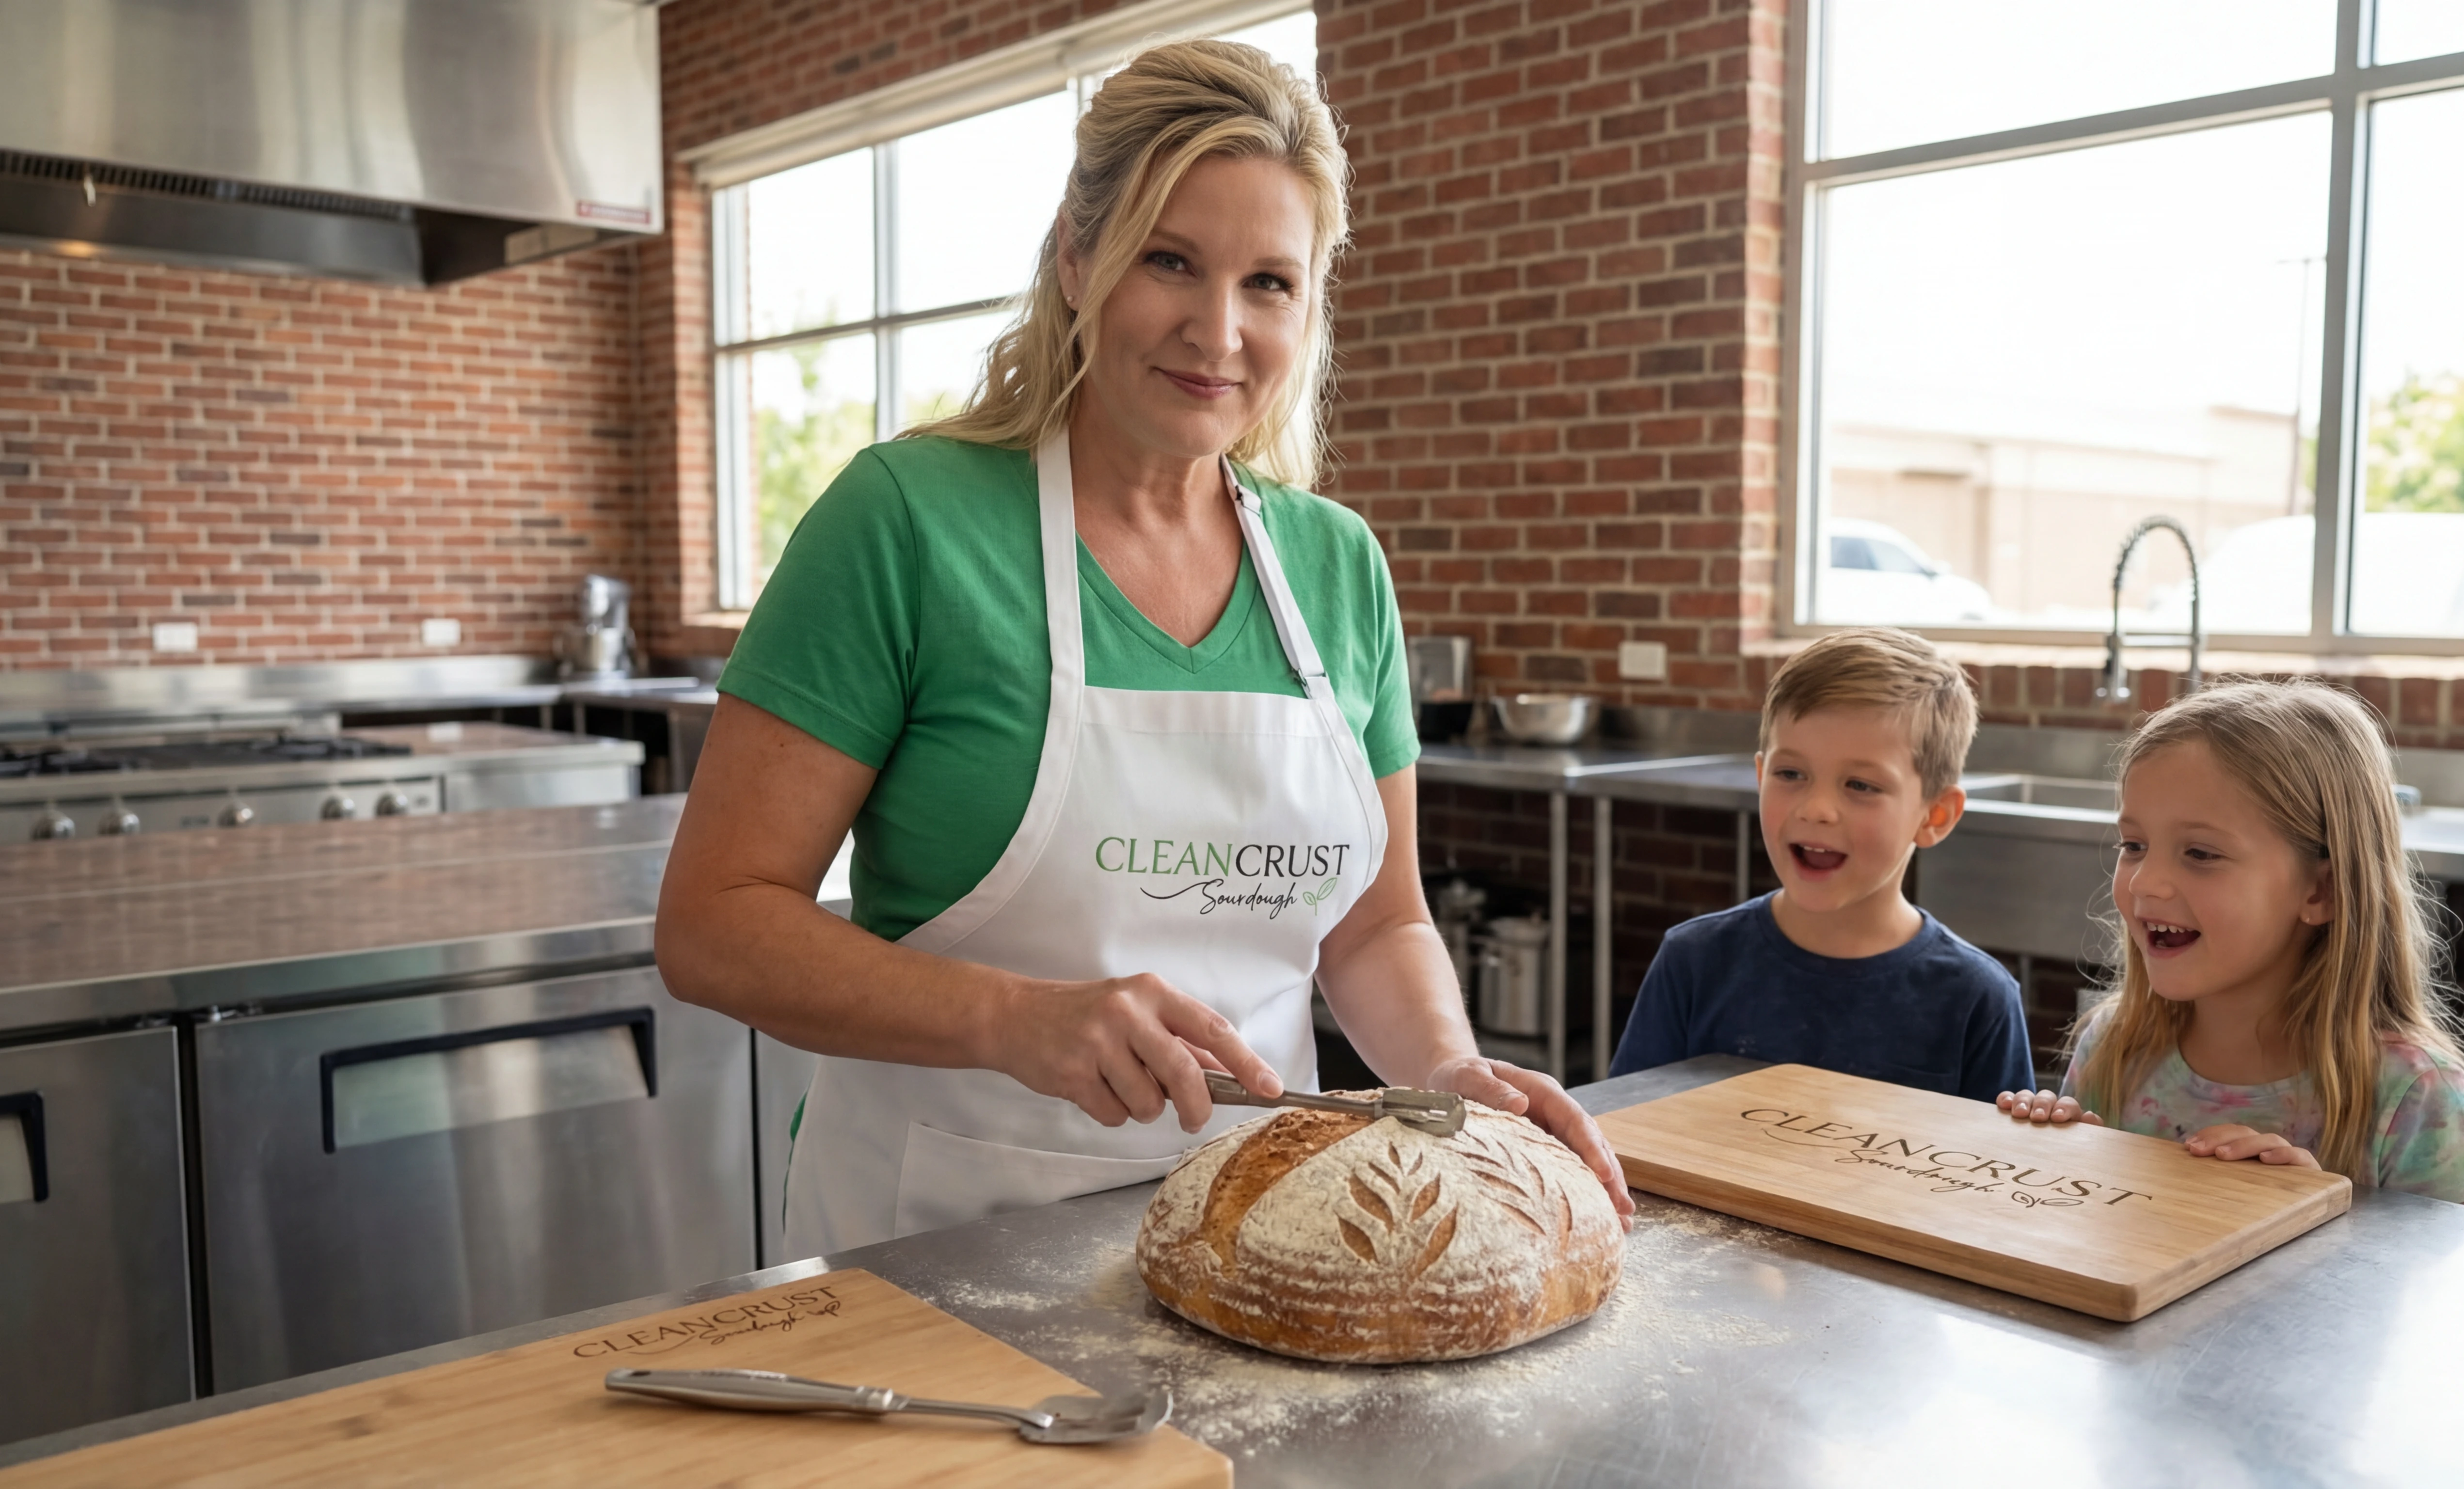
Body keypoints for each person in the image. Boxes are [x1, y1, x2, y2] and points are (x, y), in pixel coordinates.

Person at [655, 39, 1632, 1256]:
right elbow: (713, 923)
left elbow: (1376, 924)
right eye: (1170, 260)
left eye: (1269, 282)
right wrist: (1012, 1016)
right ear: (1078, 259)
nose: (1216, 331)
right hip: (938, 1238)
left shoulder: (1335, 566)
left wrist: (1444, 1065)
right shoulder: (906, 520)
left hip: (1266, 1237)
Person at [1997, 681, 2464, 1206]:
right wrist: (2053, 1169)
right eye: (2133, 845)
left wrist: (2313, 1213)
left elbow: (2457, 1288)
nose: (2144, 882)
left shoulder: (2413, 1093)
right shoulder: (2114, 1047)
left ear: (2320, 890)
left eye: (2199, 853)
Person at [1608, 628, 2034, 1098]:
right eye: (1790, 774)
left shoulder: (1977, 999)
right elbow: (1619, 1139)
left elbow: (1999, 1167)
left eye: (1860, 785)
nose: (1816, 809)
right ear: (1759, 777)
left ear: (1935, 816)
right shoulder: (1692, 961)